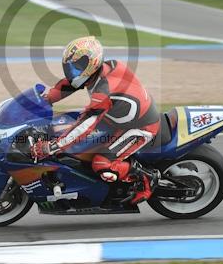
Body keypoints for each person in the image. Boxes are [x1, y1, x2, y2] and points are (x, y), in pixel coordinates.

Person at [30, 36, 161, 205]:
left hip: (140, 127)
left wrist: (52, 147)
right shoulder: (98, 72)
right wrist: (44, 100)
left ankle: (145, 178)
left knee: (102, 163)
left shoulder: (104, 89)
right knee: (60, 128)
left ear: (92, 63)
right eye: (70, 66)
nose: (73, 71)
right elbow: (69, 85)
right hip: (116, 119)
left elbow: (87, 123)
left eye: (78, 66)